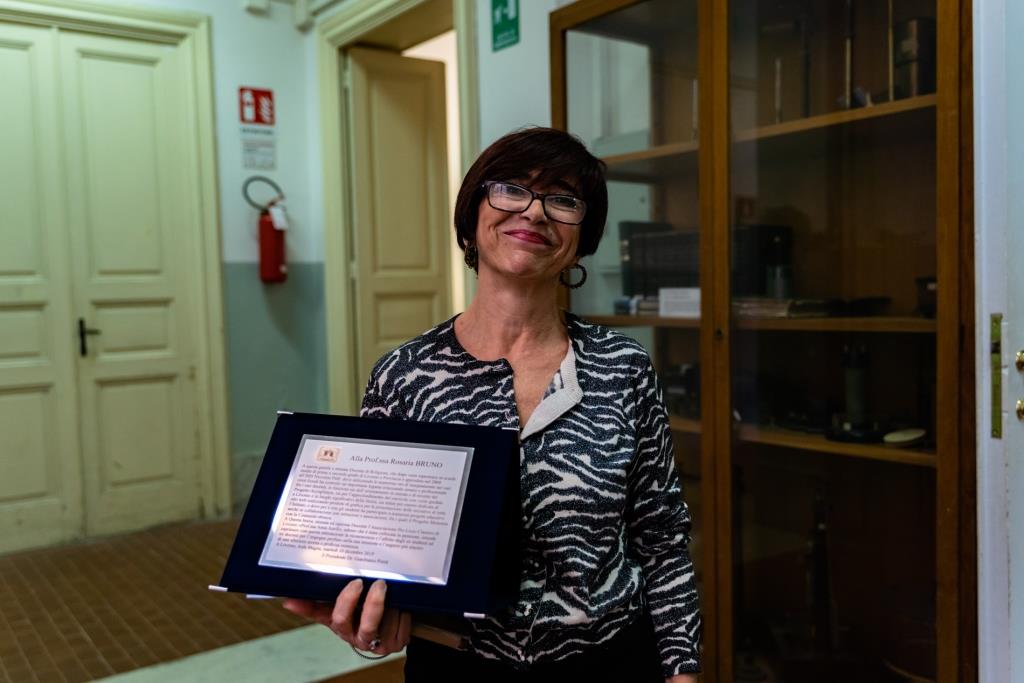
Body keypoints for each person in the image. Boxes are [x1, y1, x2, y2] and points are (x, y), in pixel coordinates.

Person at [284, 127, 701, 682]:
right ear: (472, 214)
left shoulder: (622, 367)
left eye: (563, 199)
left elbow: (663, 536)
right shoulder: (405, 375)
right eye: (511, 189)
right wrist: (371, 620)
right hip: (457, 663)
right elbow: (377, 550)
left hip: (611, 659)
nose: (535, 211)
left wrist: (682, 671)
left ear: (583, 236)